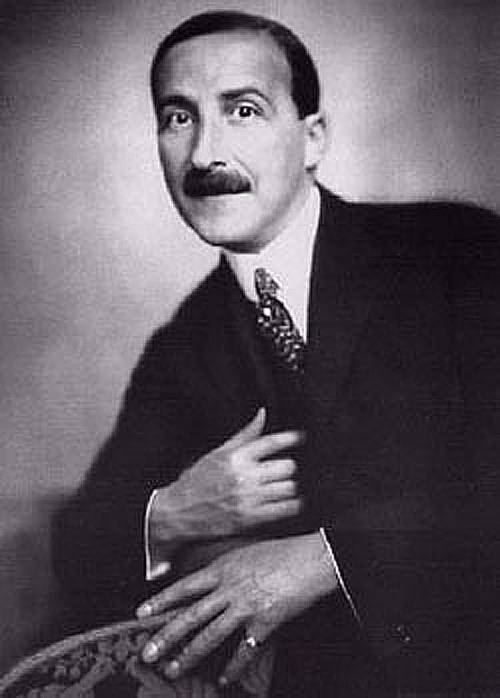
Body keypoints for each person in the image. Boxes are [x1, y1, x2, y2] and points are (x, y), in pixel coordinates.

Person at [53, 10, 500, 696]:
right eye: (178, 118)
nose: (204, 155)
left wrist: (329, 559)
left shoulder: (455, 251)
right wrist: (175, 511)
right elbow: (79, 546)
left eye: (243, 110)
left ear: (312, 137)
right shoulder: (181, 348)